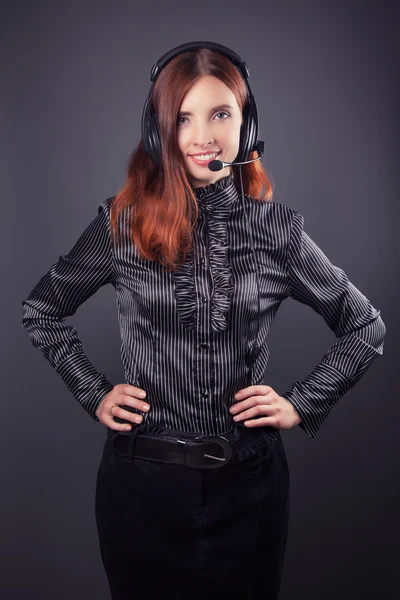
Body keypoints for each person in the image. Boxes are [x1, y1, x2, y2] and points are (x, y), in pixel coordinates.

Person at [21, 41, 386, 600]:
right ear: (158, 130)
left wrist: (302, 401)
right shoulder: (121, 226)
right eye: (183, 118)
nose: (201, 136)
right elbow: (42, 309)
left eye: (220, 114)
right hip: (139, 492)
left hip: (251, 488)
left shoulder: (277, 231)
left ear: (247, 122)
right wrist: (92, 391)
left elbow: (365, 326)